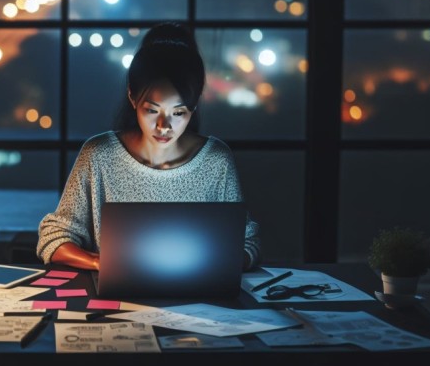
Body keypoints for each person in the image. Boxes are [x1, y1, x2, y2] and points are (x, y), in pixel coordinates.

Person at [36, 22, 261, 272]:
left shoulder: (215, 160)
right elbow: (54, 237)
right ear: (132, 97)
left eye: (178, 112)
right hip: (114, 299)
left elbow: (247, 242)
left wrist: (213, 267)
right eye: (152, 110)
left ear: (194, 105)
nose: (164, 126)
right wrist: (101, 263)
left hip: (199, 300)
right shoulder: (100, 154)